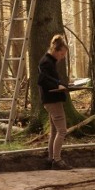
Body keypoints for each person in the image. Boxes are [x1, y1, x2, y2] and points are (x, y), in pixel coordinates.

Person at [38, 34, 72, 170]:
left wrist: (60, 84)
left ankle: (51, 158)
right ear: (56, 51)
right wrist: (57, 85)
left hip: (51, 100)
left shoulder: (49, 61)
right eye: (62, 53)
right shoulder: (46, 62)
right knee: (62, 130)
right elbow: (42, 80)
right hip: (52, 101)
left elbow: (49, 79)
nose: (62, 57)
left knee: (53, 131)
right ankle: (57, 160)